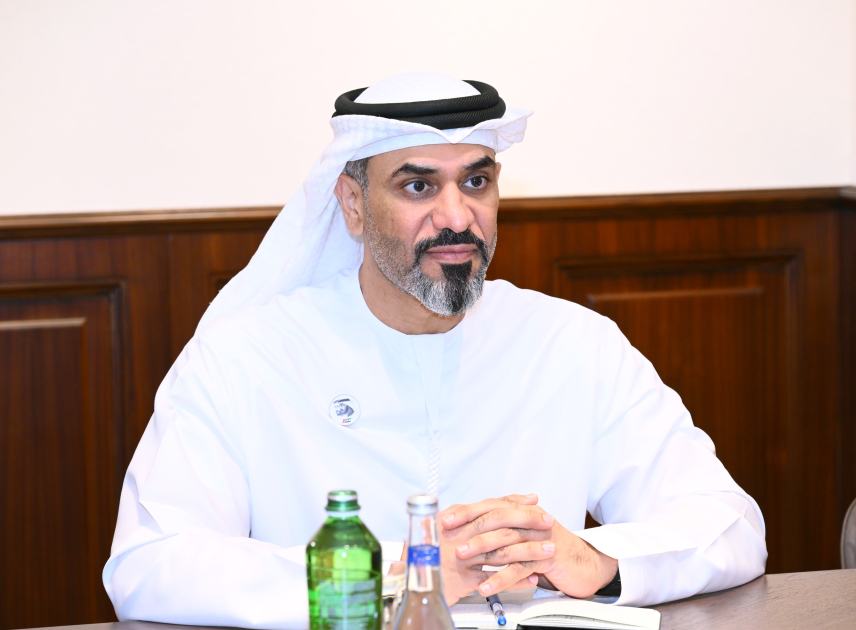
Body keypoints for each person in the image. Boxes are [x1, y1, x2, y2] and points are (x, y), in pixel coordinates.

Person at [103, 72, 767, 628]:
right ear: (353, 205)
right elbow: (149, 562)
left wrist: (598, 560)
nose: (456, 217)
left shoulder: (572, 343)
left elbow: (730, 524)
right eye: (418, 186)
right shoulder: (244, 357)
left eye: (475, 183)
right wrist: (399, 575)